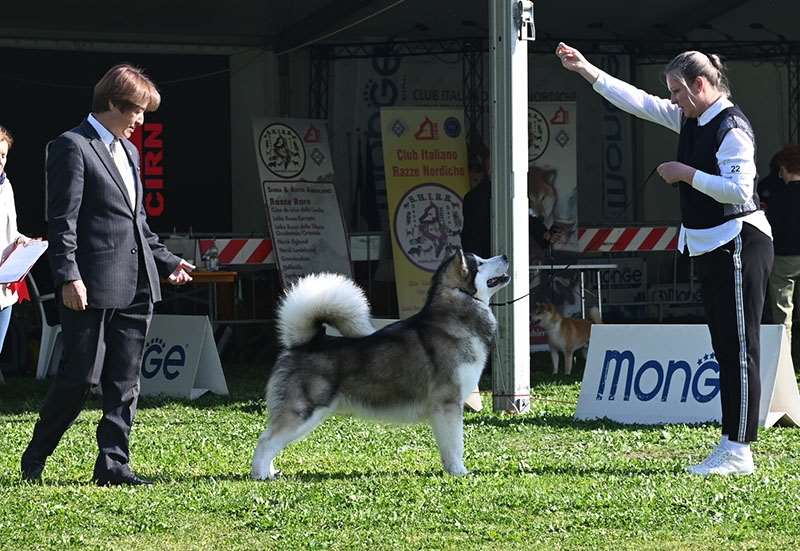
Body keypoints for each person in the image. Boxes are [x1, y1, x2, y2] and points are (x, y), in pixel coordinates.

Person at [557, 42, 773, 475]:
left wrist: (685, 174)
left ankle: (739, 450)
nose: (672, 100)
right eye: (670, 93)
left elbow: (740, 192)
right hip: (710, 243)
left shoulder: (731, 127)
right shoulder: (690, 116)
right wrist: (587, 70)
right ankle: (731, 443)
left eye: (677, 91)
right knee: (723, 347)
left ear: (700, 84)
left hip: (738, 241)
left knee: (738, 348)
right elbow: (638, 102)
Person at [21, 64, 195, 485]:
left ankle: (113, 465)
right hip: (90, 284)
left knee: (126, 380)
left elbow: (139, 225)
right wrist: (67, 276)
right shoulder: (71, 146)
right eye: (136, 111)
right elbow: (62, 221)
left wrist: (168, 263)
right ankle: (36, 455)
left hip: (137, 283)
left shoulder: (132, 152)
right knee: (80, 377)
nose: (140, 121)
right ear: (113, 104)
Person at [0, 126, 35, 385]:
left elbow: (8, 229)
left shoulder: (6, 187)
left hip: (4, 290)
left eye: (3, 155)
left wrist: (20, 240)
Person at [763, 145, 800, 357]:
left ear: (784, 168)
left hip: (783, 259)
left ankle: (784, 362)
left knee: (783, 314)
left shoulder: (776, 197)